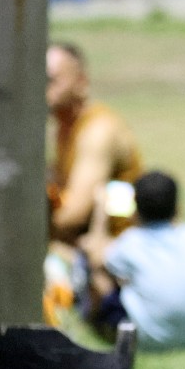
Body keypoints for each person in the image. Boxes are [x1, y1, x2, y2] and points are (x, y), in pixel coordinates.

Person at [45, 42, 144, 320]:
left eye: (51, 80)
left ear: (81, 83)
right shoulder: (64, 128)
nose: (42, 89)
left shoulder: (98, 130)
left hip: (119, 253)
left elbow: (70, 216)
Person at [79, 171, 185, 350]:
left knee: (98, 272)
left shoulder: (131, 242)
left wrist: (100, 212)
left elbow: (94, 254)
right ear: (177, 208)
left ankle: (91, 322)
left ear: (135, 211)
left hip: (146, 337)